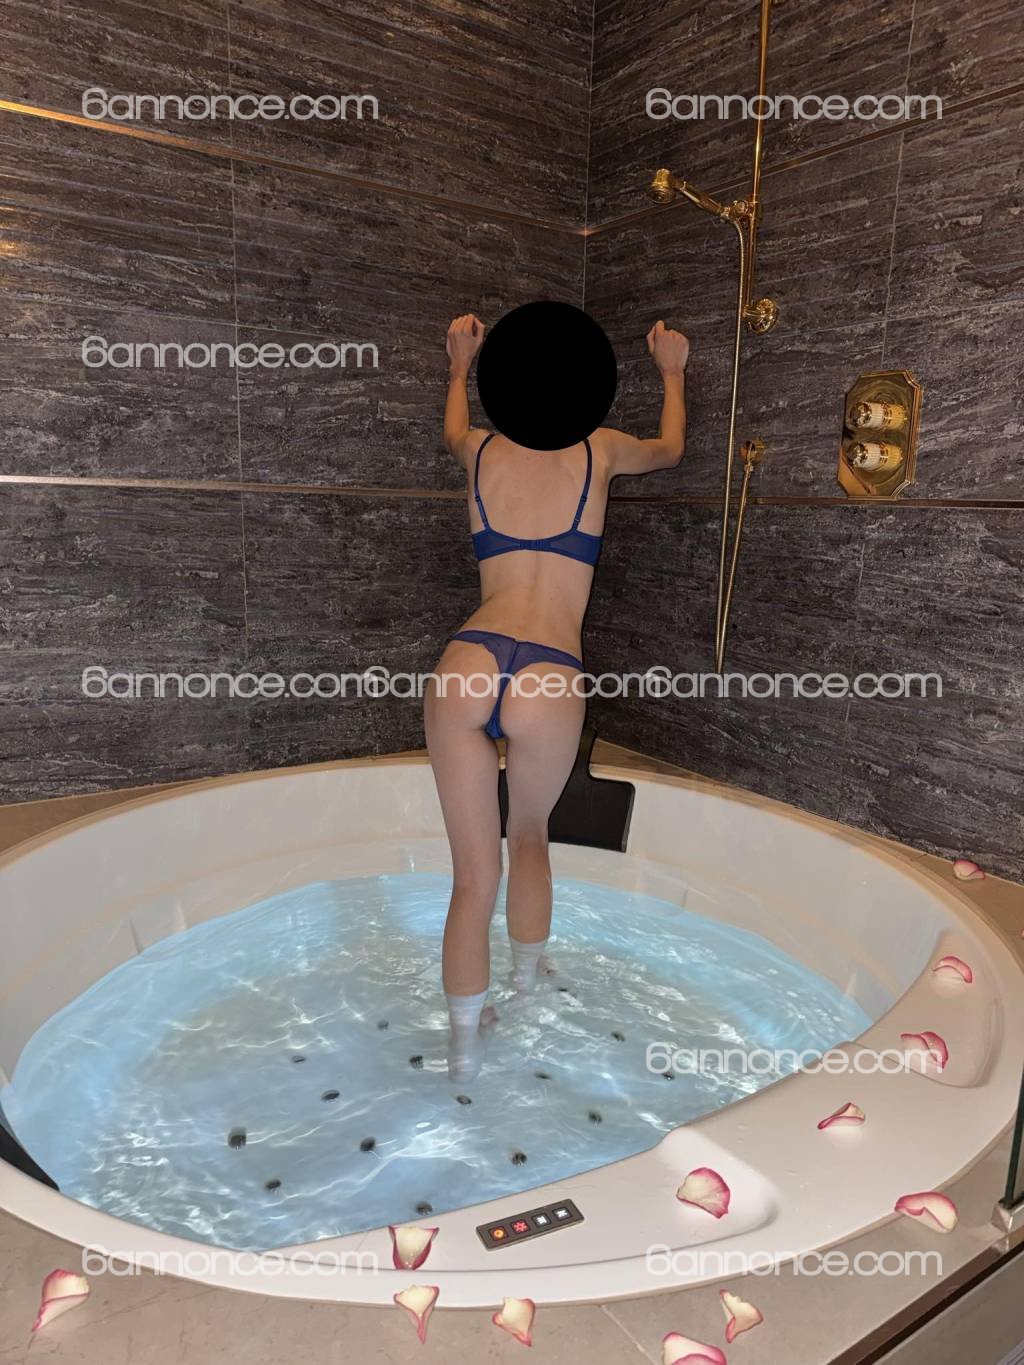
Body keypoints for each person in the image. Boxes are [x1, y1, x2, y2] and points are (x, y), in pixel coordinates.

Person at [425, 303, 689, 1082]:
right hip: (548, 670)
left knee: (473, 878)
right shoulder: (600, 448)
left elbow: (451, 427)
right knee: (530, 836)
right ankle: (527, 983)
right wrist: (672, 372)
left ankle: (463, 1051)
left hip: (468, 658)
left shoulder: (478, 448)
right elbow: (671, 449)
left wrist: (459, 363)